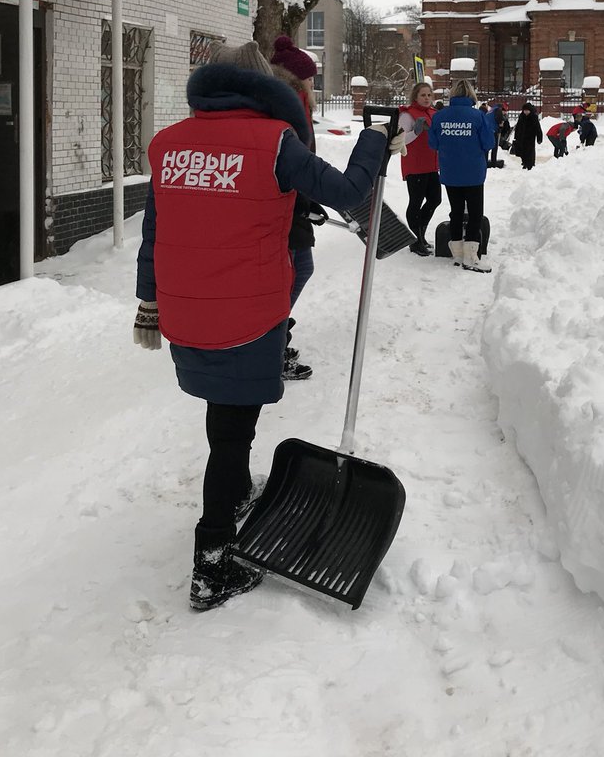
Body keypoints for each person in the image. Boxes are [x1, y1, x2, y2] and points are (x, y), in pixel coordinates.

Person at [132, 40, 405, 612]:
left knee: (224, 416)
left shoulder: (167, 144)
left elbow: (153, 232)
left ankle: (232, 496)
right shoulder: (274, 143)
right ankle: (213, 561)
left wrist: (150, 305)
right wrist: (375, 139)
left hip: (186, 311)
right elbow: (348, 191)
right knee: (233, 432)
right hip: (249, 313)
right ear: (266, 90)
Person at [269, 34, 321, 380]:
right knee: (297, 269)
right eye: (310, 76)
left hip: (293, 198)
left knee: (294, 270)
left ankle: (270, 340)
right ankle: (268, 344)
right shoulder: (292, 101)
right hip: (285, 200)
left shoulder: (291, 100)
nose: (313, 82)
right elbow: (293, 158)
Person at [427, 78, 495, 273]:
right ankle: (471, 257)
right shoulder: (478, 116)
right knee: (474, 214)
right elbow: (488, 143)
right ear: (471, 95)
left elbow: (433, 144)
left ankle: (457, 254)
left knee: (455, 211)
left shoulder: (440, 116)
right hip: (473, 172)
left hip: (450, 172)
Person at [398, 81, 442, 255]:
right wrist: (415, 132)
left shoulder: (434, 113)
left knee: (435, 199)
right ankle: (416, 240)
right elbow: (399, 141)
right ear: (415, 97)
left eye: (429, 95)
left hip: (431, 165)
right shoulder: (407, 115)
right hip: (415, 165)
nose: (426, 98)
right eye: (423, 95)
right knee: (415, 202)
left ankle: (420, 234)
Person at [511, 102, 542, 169]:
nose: (526, 112)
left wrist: (539, 138)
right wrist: (516, 136)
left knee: (530, 151)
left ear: (530, 110)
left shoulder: (534, 117)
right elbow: (518, 127)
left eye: (527, 110)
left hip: (530, 137)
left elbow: (538, 128)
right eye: (524, 110)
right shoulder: (521, 116)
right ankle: (524, 163)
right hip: (521, 136)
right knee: (522, 151)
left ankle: (530, 163)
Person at [487, 102, 512, 168]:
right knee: (494, 147)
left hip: (487, 129)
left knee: (487, 147)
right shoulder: (498, 110)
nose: (505, 113)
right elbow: (499, 120)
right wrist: (501, 123)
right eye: (504, 111)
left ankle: (485, 161)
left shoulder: (492, 109)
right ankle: (493, 163)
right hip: (493, 130)